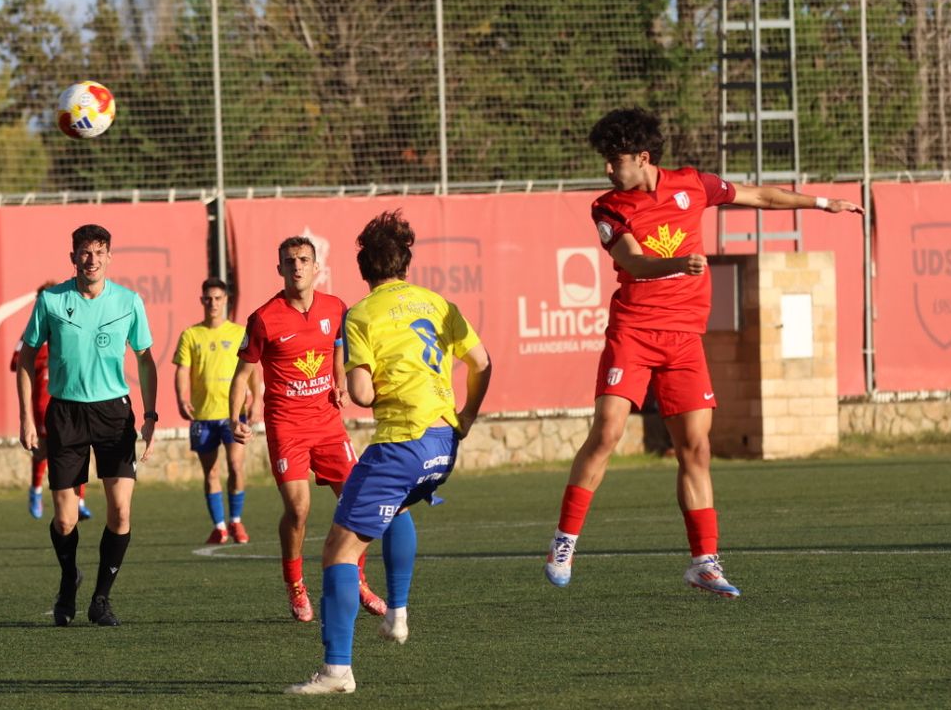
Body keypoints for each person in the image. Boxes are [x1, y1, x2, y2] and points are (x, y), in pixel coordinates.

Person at [542, 108, 862, 598]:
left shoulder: (693, 184)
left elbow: (759, 195)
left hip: (684, 338)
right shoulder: (608, 207)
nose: (608, 169)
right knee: (607, 432)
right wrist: (678, 261)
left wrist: (822, 203)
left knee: (696, 447)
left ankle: (704, 562)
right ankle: (564, 541)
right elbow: (633, 260)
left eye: (615, 159)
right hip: (634, 331)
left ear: (643, 157)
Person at [287, 210, 492, 695]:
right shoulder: (438, 303)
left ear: (364, 268)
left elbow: (359, 392)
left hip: (400, 442)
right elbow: (482, 363)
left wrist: (380, 385)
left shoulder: (359, 314)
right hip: (442, 443)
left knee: (339, 550)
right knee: (395, 508)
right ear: (405, 262)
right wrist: (465, 417)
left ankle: (336, 672)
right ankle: (396, 614)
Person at [229, 235, 386, 623]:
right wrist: (236, 417)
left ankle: (359, 580)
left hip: (328, 424)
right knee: (298, 510)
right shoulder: (264, 318)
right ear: (279, 268)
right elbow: (242, 374)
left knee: (357, 501)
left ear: (317, 268)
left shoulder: (336, 307)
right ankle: (295, 584)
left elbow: (337, 344)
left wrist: (339, 380)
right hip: (287, 426)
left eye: (303, 259)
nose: (296, 266)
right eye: (289, 261)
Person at [17, 223, 159, 627]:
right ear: (73, 257)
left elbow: (145, 359)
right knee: (65, 519)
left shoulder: (129, 302)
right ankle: (68, 581)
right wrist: (27, 416)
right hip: (65, 414)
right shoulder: (51, 300)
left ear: (109, 257)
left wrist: (150, 416)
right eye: (84, 252)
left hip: (114, 413)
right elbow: (26, 360)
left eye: (99, 252)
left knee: (120, 512)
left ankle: (100, 598)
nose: (92, 259)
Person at [174, 276, 259, 544]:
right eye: (208, 298)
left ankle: (236, 521)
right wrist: (181, 397)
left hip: (233, 415)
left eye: (218, 298)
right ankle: (220, 526)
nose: (213, 303)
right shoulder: (191, 335)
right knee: (210, 472)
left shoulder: (238, 333)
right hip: (203, 415)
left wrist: (257, 399)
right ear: (202, 300)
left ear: (226, 301)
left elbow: (252, 369)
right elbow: (182, 370)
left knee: (235, 465)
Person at [11, 282, 91, 522]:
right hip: (43, 402)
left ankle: (80, 501)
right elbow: (17, 362)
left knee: (77, 449)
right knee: (44, 450)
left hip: (72, 400)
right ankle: (36, 491)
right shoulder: (30, 333)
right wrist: (40, 360)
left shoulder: (67, 326)